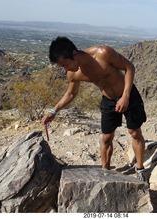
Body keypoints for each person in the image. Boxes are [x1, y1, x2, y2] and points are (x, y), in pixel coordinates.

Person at [41, 36, 147, 181]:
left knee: (134, 133)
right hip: (108, 100)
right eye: (62, 67)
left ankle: (140, 169)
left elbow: (129, 67)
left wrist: (125, 97)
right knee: (106, 138)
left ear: (74, 54)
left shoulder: (103, 53)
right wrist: (53, 111)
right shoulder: (73, 74)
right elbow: (71, 93)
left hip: (128, 95)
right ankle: (105, 172)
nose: (66, 69)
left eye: (66, 64)